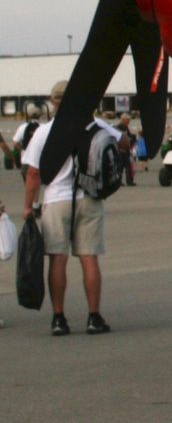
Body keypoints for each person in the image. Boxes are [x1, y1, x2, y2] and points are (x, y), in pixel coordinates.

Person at [22, 81, 118, 335]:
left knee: (58, 259)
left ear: (53, 102)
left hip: (56, 199)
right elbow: (123, 144)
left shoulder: (44, 132)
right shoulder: (93, 125)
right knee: (89, 258)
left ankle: (58, 319)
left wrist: (29, 206)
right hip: (90, 197)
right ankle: (94, 317)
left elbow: (32, 173)